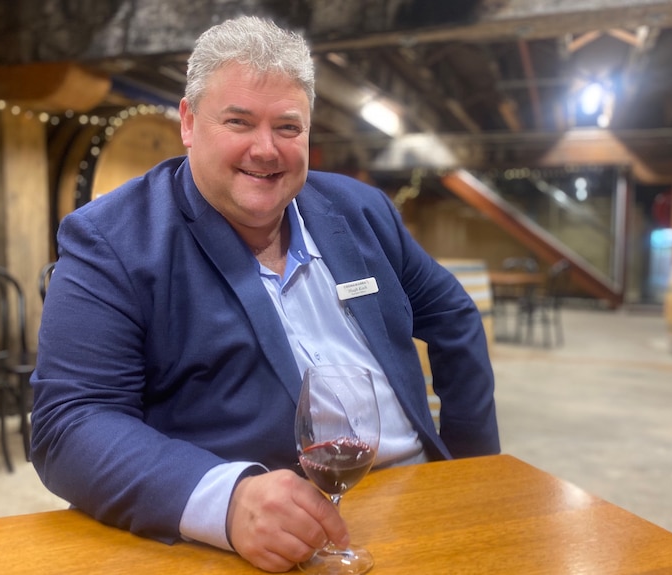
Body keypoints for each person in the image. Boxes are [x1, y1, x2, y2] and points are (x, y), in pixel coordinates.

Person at [31, 14, 500, 573]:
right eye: (238, 121)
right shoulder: (113, 240)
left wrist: (472, 471)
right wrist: (226, 502)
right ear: (187, 121)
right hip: (274, 545)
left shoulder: (361, 212)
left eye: (288, 127)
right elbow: (69, 423)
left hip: (418, 497)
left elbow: (453, 314)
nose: (266, 150)